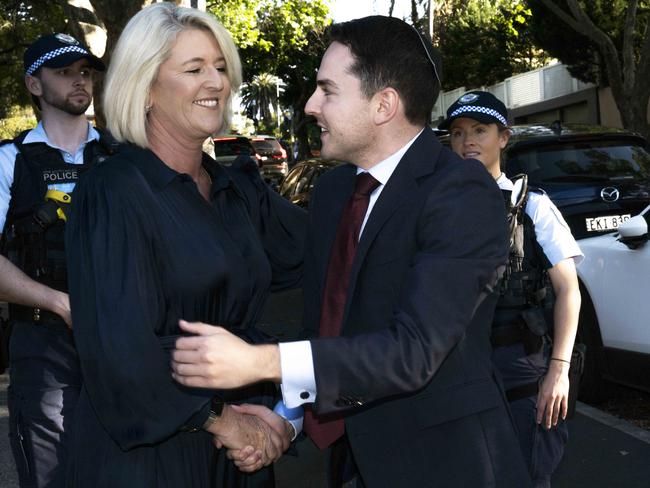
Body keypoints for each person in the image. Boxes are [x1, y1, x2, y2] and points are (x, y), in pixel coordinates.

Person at [172, 16, 532, 487]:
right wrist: (288, 417)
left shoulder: (462, 194)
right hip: (352, 463)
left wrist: (262, 360)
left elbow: (413, 351)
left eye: (327, 90)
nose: (310, 105)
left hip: (448, 465)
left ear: (383, 105)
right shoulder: (335, 191)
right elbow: (326, 329)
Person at [64, 3, 306, 487]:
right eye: (194, 69)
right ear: (145, 87)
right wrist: (227, 423)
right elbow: (119, 352)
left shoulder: (237, 189)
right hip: (153, 460)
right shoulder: (113, 192)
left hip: (245, 451)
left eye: (220, 67)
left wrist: (287, 413)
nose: (216, 82)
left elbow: (323, 265)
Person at [439, 90, 583, 488]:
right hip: (457, 371)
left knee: (529, 474)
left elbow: (569, 290)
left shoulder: (533, 206)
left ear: (503, 137)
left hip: (519, 368)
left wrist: (559, 370)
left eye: (480, 130)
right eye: (457, 133)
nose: (467, 141)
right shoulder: (437, 207)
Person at [0, 32, 113, 487]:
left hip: (119, 339)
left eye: (84, 72)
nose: (78, 81)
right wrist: (60, 303)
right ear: (34, 85)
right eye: (63, 72)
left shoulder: (122, 156)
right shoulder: (11, 160)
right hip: (42, 346)